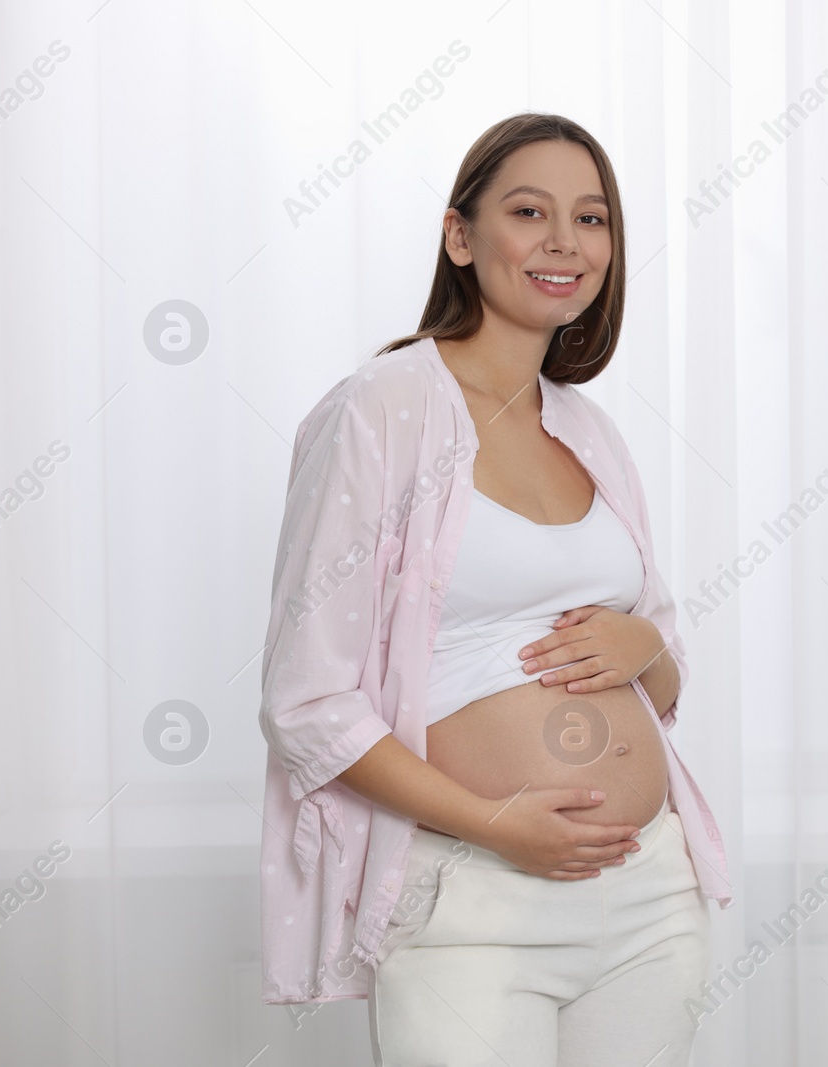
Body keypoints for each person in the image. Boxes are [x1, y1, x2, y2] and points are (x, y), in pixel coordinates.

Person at [255, 112, 734, 1066]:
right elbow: (305, 704)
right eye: (530, 211)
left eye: (592, 219)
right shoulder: (381, 410)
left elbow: (664, 683)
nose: (565, 241)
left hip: (647, 897)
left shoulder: (590, 430)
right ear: (461, 236)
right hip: (474, 894)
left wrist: (648, 650)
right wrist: (497, 825)